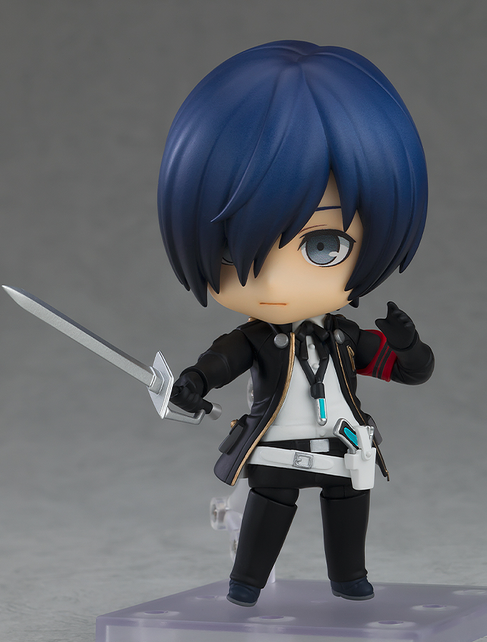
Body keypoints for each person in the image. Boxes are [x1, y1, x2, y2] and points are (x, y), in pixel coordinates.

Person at [157, 41, 434, 607]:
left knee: (349, 505)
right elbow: (221, 361)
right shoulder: (257, 338)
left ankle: (349, 579)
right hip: (276, 446)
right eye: (235, 249)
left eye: (323, 245)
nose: (277, 283)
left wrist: (408, 347)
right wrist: (193, 381)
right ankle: (246, 584)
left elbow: (410, 371)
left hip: (342, 442)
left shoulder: (344, 337)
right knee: (270, 509)